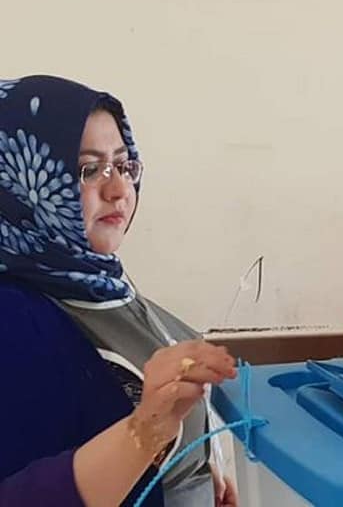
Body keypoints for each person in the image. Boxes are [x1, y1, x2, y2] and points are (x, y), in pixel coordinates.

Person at [0, 75, 239, 507]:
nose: (118, 190)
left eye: (124, 166)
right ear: (18, 182)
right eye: (89, 170)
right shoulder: (13, 317)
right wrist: (143, 434)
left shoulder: (102, 287)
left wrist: (194, 469)